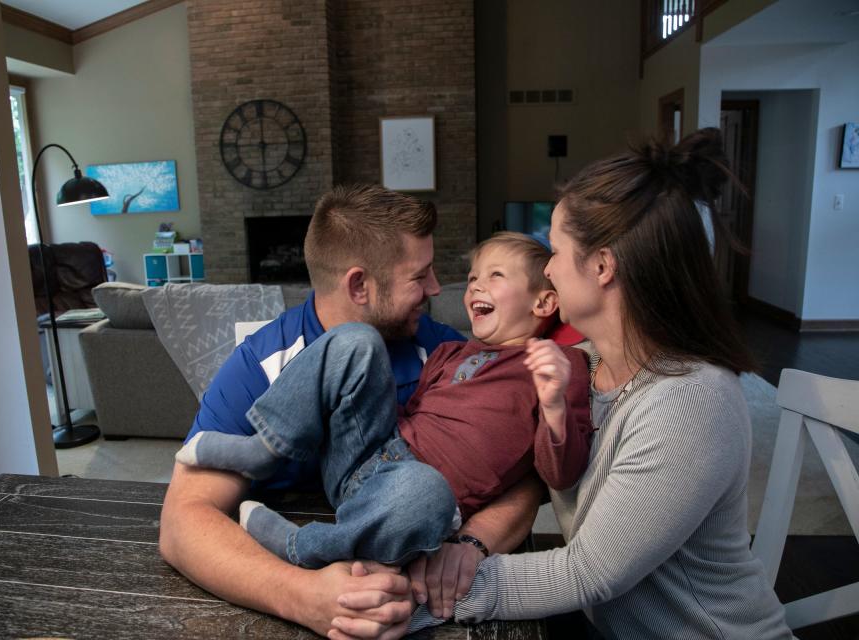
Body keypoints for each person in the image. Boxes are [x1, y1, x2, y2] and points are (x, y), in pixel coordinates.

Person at [332, 130, 795, 640]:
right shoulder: (580, 364)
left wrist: (412, 588)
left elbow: (586, 573)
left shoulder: (692, 399)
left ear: (601, 267)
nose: (547, 268)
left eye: (553, 250)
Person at [159, 185, 548, 638]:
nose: (436, 289)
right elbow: (182, 522)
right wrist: (302, 595)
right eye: (419, 276)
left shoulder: (440, 350)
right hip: (284, 585)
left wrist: (474, 541)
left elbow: (528, 466)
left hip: (407, 566)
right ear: (359, 285)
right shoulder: (260, 366)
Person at [174, 232, 592, 570]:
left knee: (430, 490)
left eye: (495, 276)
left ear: (543, 301)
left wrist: (553, 403)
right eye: (471, 278)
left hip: (410, 496)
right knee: (356, 339)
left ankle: (304, 545)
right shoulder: (451, 351)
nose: (474, 286)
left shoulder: (561, 367)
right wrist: (355, 403)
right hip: (366, 459)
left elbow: (560, 474)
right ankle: (263, 448)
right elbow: (410, 414)